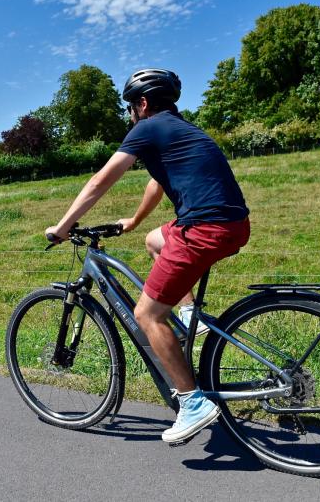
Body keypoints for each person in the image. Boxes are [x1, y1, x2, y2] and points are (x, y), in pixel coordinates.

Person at [45, 68, 250, 445]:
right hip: (231, 224)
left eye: (130, 108)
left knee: (146, 314)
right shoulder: (180, 128)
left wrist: (62, 226)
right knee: (157, 240)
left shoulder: (146, 128)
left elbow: (100, 180)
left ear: (142, 104)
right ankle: (190, 317)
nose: (129, 116)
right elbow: (158, 181)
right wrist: (135, 221)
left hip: (204, 230)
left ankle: (192, 402)